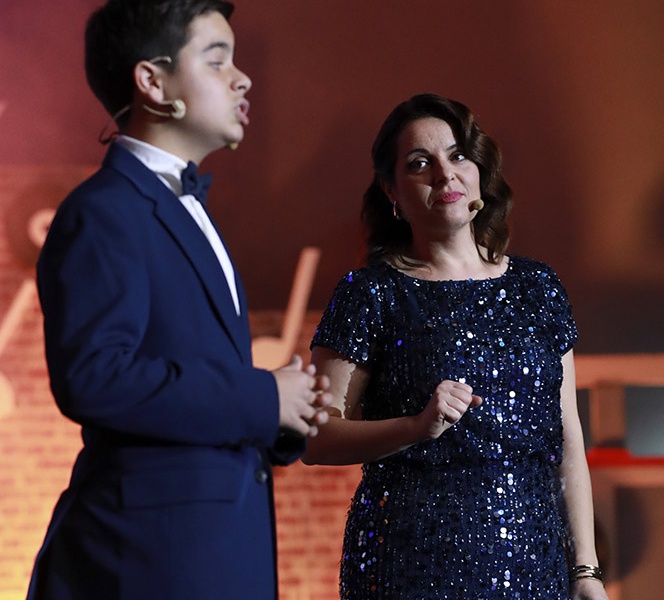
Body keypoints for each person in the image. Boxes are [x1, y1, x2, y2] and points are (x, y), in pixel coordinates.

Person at [26, 1, 330, 598]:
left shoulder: (182, 207)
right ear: (153, 82)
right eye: (218, 60)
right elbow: (94, 377)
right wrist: (262, 396)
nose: (242, 79)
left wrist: (282, 416)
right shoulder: (104, 211)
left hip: (209, 553)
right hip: (147, 561)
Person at [302, 93, 609, 600]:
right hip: (411, 566)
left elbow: (568, 438)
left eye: (457, 155)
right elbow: (314, 438)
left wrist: (586, 571)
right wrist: (415, 427)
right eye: (419, 163)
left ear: (479, 170)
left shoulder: (538, 287)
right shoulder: (370, 292)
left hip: (534, 565)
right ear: (391, 190)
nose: (445, 174)